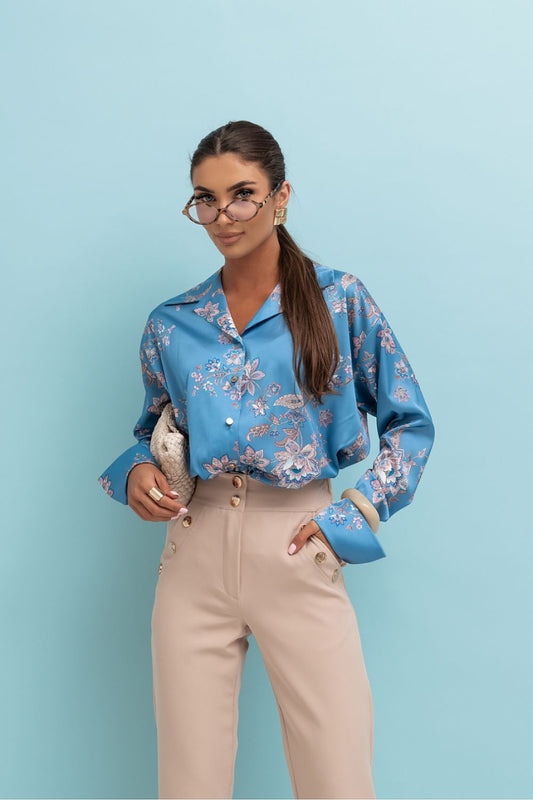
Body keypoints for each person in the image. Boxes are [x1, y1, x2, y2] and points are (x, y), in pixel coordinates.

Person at [98, 119, 435, 800]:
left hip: (297, 545)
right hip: (193, 553)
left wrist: (355, 516)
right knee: (188, 783)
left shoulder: (340, 301)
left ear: (280, 196)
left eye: (242, 194)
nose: (224, 215)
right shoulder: (172, 323)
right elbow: (153, 429)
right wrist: (134, 469)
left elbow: (410, 425)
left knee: (337, 778)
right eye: (206, 199)